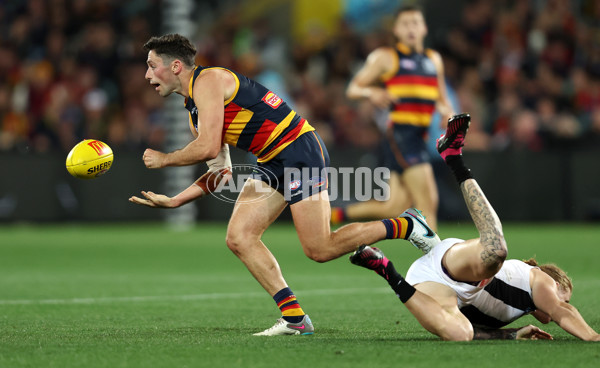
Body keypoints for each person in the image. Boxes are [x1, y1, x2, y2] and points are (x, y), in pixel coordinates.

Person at [128, 34, 440, 336]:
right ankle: (294, 318)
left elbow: (207, 147)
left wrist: (165, 159)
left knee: (319, 248)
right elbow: (220, 169)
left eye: (151, 65)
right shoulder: (194, 109)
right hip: (272, 161)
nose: (146, 74)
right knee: (239, 237)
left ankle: (406, 224)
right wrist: (176, 200)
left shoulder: (208, 80)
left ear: (175, 67)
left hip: (297, 149)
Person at [350, 113, 600, 341]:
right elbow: (560, 311)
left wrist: (511, 335)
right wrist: (592, 337)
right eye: (565, 295)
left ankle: (385, 269)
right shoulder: (540, 281)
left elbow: (480, 329)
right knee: (495, 252)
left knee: (460, 334)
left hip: (433, 285)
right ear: (556, 283)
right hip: (459, 269)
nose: (564, 302)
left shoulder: (520, 307)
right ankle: (454, 159)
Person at [334, 5, 454, 230]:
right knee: (428, 203)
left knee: (392, 207)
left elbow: (442, 99)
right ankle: (436, 263)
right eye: (405, 23)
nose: (411, 28)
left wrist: (447, 112)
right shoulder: (386, 58)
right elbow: (353, 88)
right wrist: (372, 92)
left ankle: (333, 214)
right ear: (396, 30)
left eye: (415, 22)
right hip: (401, 134)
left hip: (418, 136)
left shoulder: (433, 60)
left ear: (425, 28)